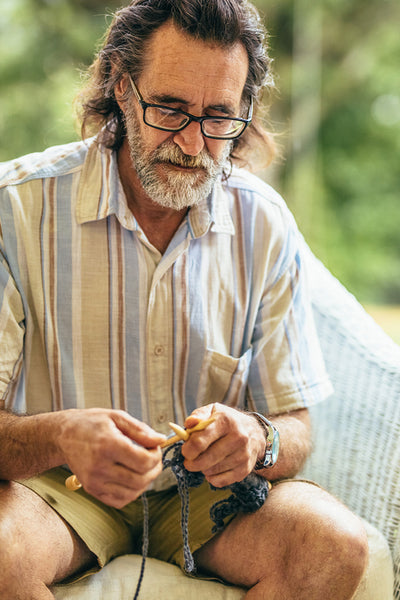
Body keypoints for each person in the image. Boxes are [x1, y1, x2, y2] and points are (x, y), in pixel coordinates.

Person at [0, 1, 368, 598]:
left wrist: (257, 438)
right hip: (56, 492)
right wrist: (63, 435)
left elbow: (294, 425)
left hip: (205, 498)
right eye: (170, 109)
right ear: (122, 89)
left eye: (219, 116)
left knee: (337, 547)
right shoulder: (15, 209)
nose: (194, 143)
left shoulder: (265, 222)